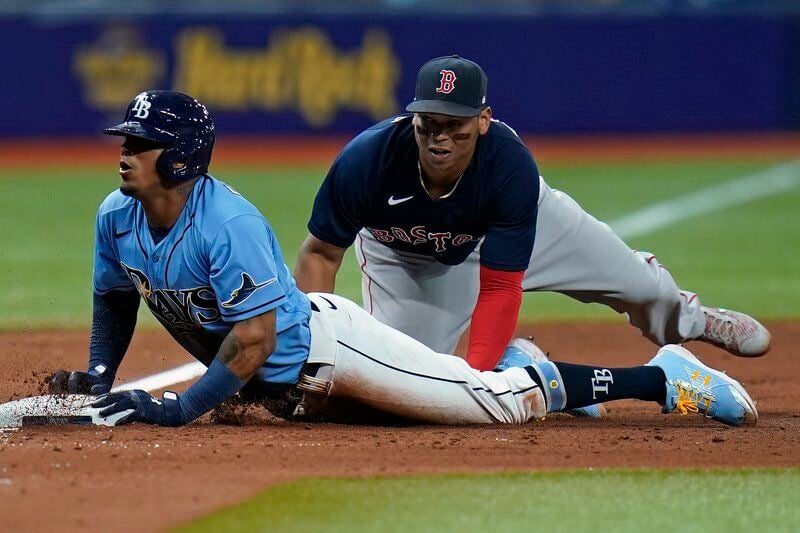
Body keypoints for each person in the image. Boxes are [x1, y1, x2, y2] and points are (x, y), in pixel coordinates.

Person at [49, 90, 758, 430]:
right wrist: (101, 373)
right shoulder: (116, 218)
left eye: (138, 141)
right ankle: (516, 363)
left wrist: (183, 408)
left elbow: (255, 339)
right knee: (439, 400)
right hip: (297, 392)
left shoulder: (224, 224)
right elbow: (115, 296)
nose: (124, 150)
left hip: (332, 352)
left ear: (178, 156)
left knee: (496, 405)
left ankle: (661, 377)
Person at [293, 55, 771, 373]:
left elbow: (501, 288)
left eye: (454, 126)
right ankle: (519, 362)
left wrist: (476, 383)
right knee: (409, 376)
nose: (439, 138)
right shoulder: (366, 161)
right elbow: (320, 255)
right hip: (409, 260)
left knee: (642, 288)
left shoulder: (508, 164)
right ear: (412, 118)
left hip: (521, 227)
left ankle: (691, 319)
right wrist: (311, 349)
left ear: (483, 120)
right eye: (428, 124)